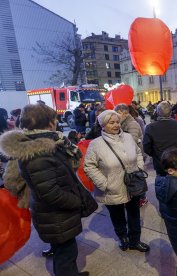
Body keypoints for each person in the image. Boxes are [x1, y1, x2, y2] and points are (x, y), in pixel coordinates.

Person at [0, 104, 92, 276]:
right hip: (56, 212)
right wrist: (76, 201)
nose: (57, 122)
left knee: (63, 251)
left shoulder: (46, 144)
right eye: (55, 119)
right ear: (50, 123)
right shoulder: (39, 152)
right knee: (66, 253)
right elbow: (51, 192)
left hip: (53, 212)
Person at [84, 110, 150, 253]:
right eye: (111, 122)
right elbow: (89, 166)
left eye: (117, 122)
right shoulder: (96, 144)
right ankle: (123, 237)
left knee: (134, 213)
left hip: (133, 184)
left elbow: (138, 152)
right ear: (103, 125)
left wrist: (138, 168)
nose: (115, 125)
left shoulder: (127, 137)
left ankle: (135, 240)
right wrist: (104, 184)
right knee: (117, 215)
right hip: (112, 187)